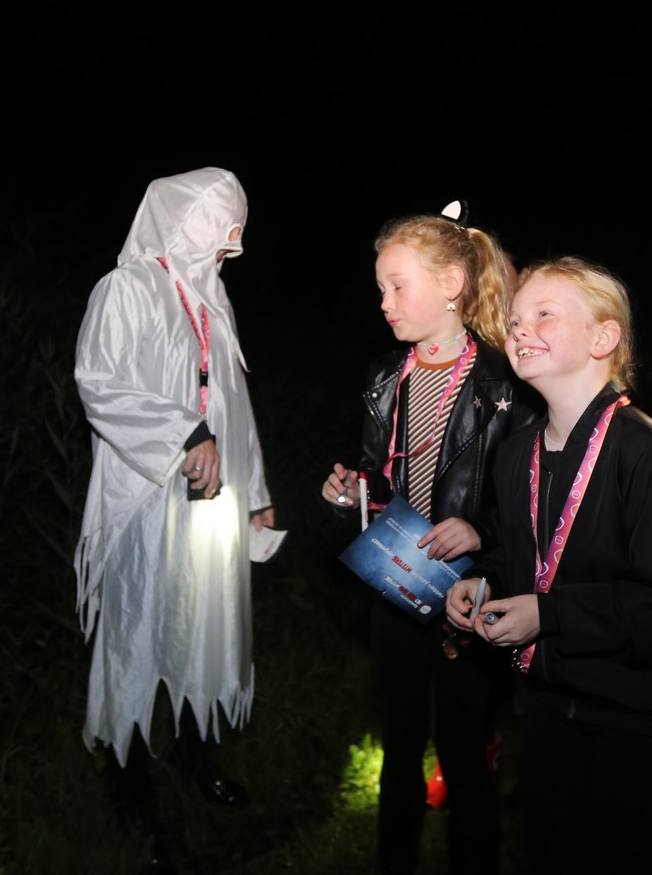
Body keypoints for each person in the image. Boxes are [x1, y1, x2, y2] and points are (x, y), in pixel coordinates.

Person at [446, 257, 652, 874]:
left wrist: (549, 614)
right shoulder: (516, 453)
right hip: (548, 711)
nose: (521, 329)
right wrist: (481, 581)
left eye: (544, 315)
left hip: (639, 719)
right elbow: (523, 557)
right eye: (515, 321)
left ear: (603, 338)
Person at [74, 167, 275, 862]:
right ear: (184, 221)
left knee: (203, 623)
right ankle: (128, 785)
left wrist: (257, 493)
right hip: (144, 496)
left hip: (213, 501)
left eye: (232, 237)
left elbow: (235, 406)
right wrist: (183, 433)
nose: (226, 249)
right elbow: (98, 382)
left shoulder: (214, 302)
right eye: (218, 232)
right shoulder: (126, 288)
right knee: (136, 631)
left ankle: (195, 755)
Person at [320, 208, 522, 875]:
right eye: (380, 288)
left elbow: (530, 496)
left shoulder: (505, 380)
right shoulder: (386, 377)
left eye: (398, 286)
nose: (384, 302)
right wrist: (353, 491)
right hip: (397, 586)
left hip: (469, 591)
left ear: (451, 284)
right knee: (400, 745)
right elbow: (380, 475)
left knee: (464, 751)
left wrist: (481, 530)